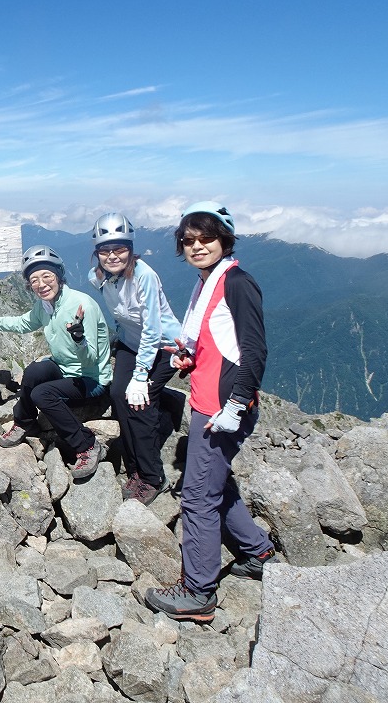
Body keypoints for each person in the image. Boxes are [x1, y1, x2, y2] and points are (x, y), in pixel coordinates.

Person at [145, 201, 278, 623]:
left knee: (198, 495)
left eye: (207, 238)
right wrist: (190, 360)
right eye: (189, 240)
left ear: (225, 239)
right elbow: (219, 344)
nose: (197, 246)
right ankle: (258, 551)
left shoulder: (236, 282)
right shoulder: (207, 281)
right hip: (209, 402)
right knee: (214, 482)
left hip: (224, 408)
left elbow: (254, 351)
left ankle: (198, 591)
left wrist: (237, 404)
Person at [0, 245, 112, 479]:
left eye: (47, 276)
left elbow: (91, 359)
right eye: (34, 280)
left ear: (59, 276)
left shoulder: (81, 305)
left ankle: (87, 445)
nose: (41, 284)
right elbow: (21, 324)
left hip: (91, 378)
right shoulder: (44, 306)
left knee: (42, 394)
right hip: (64, 368)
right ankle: (24, 422)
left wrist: (79, 339)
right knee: (34, 371)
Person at [88, 213, 182, 505]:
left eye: (119, 248)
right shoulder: (99, 277)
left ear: (130, 248)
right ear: (97, 253)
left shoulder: (145, 276)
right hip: (131, 342)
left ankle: (153, 477)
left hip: (165, 347)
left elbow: (153, 329)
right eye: (105, 250)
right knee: (118, 395)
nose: (112, 256)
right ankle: (135, 468)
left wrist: (141, 376)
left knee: (140, 402)